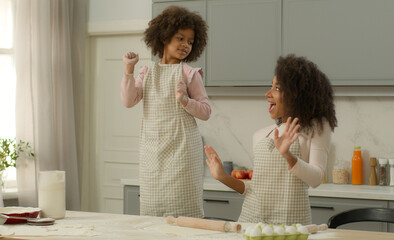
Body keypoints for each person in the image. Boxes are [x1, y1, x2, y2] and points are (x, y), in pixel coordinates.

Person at [205, 54, 337, 225]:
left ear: (296, 93)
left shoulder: (316, 127)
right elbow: (256, 189)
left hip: (290, 227)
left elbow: (316, 178)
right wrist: (222, 176)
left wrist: (288, 155)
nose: (267, 94)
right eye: (270, 87)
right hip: (251, 224)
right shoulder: (261, 135)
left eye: (277, 88)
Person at [121, 6, 210, 218]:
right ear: (163, 37)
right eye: (180, 38)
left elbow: (206, 111)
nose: (185, 45)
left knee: (184, 217)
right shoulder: (147, 71)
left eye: (190, 41)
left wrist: (185, 100)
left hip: (183, 155)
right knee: (152, 215)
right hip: (153, 155)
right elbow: (128, 100)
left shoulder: (190, 74)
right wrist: (129, 70)